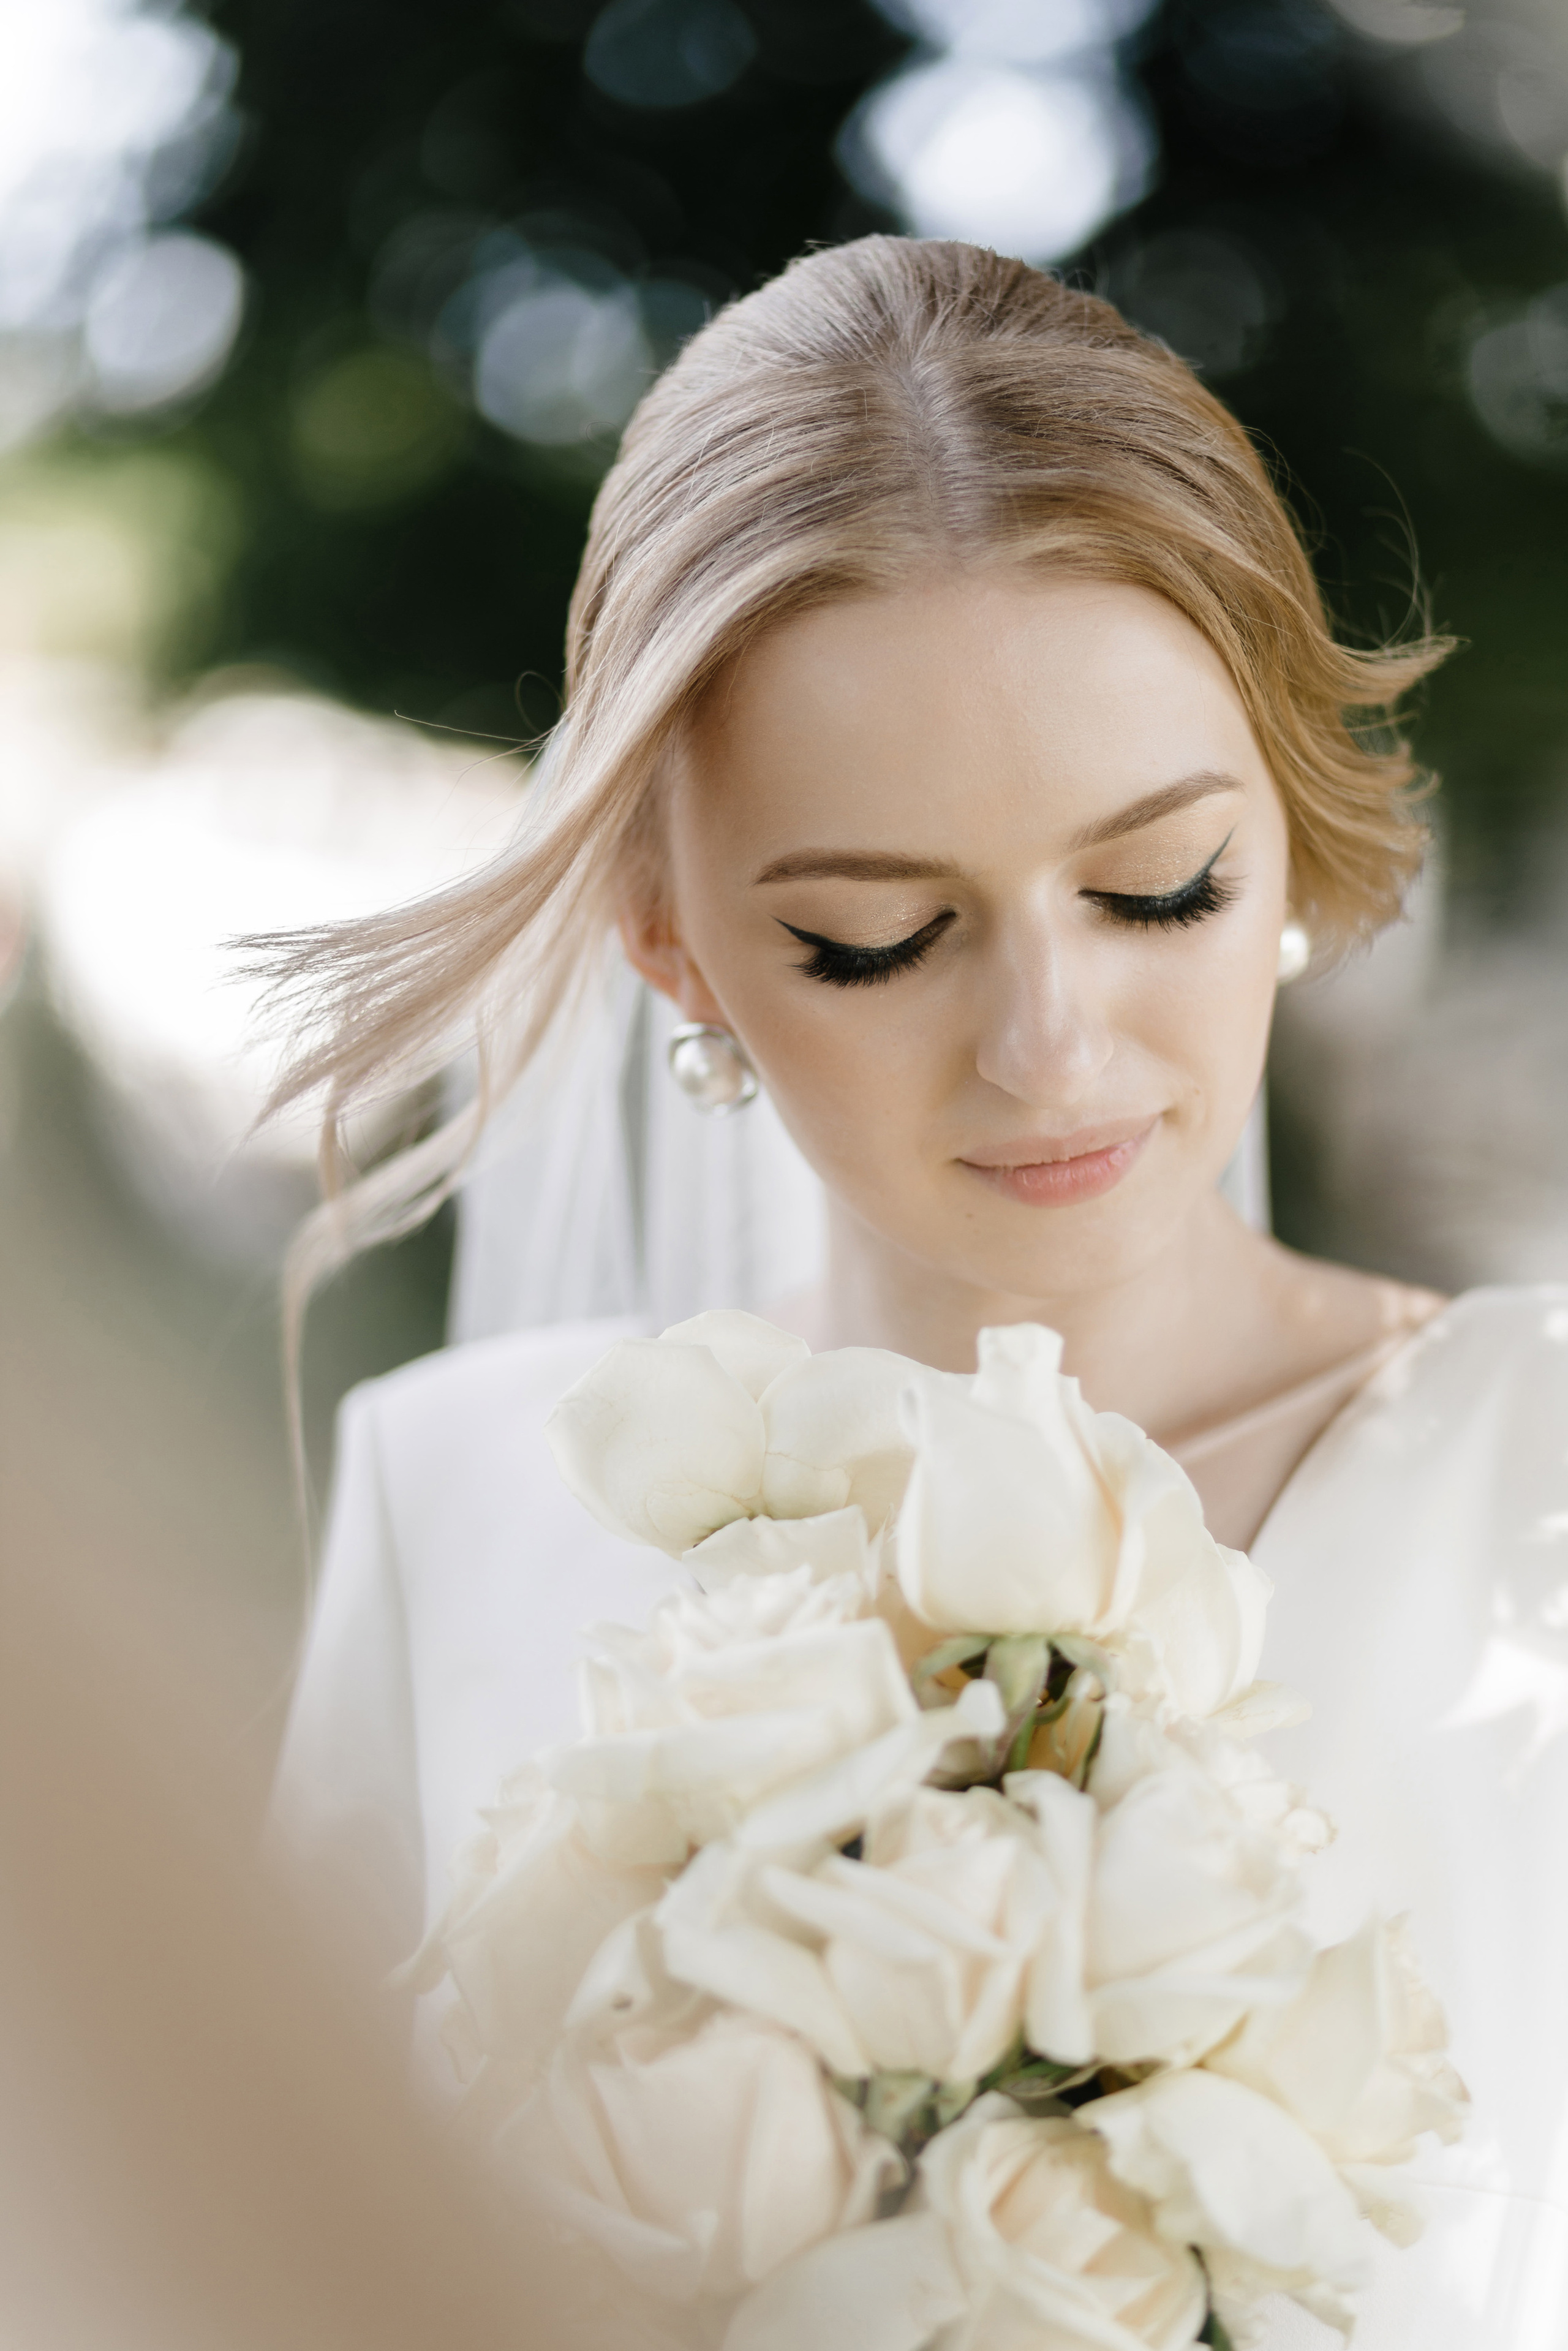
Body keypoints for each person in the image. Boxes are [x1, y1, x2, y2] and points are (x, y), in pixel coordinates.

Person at [266, 240, 1568, 2347]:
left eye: (1159, 888)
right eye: (876, 936)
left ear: (1285, 844)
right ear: (670, 943)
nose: (1053, 1047)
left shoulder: (1545, 1488)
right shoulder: (456, 1504)